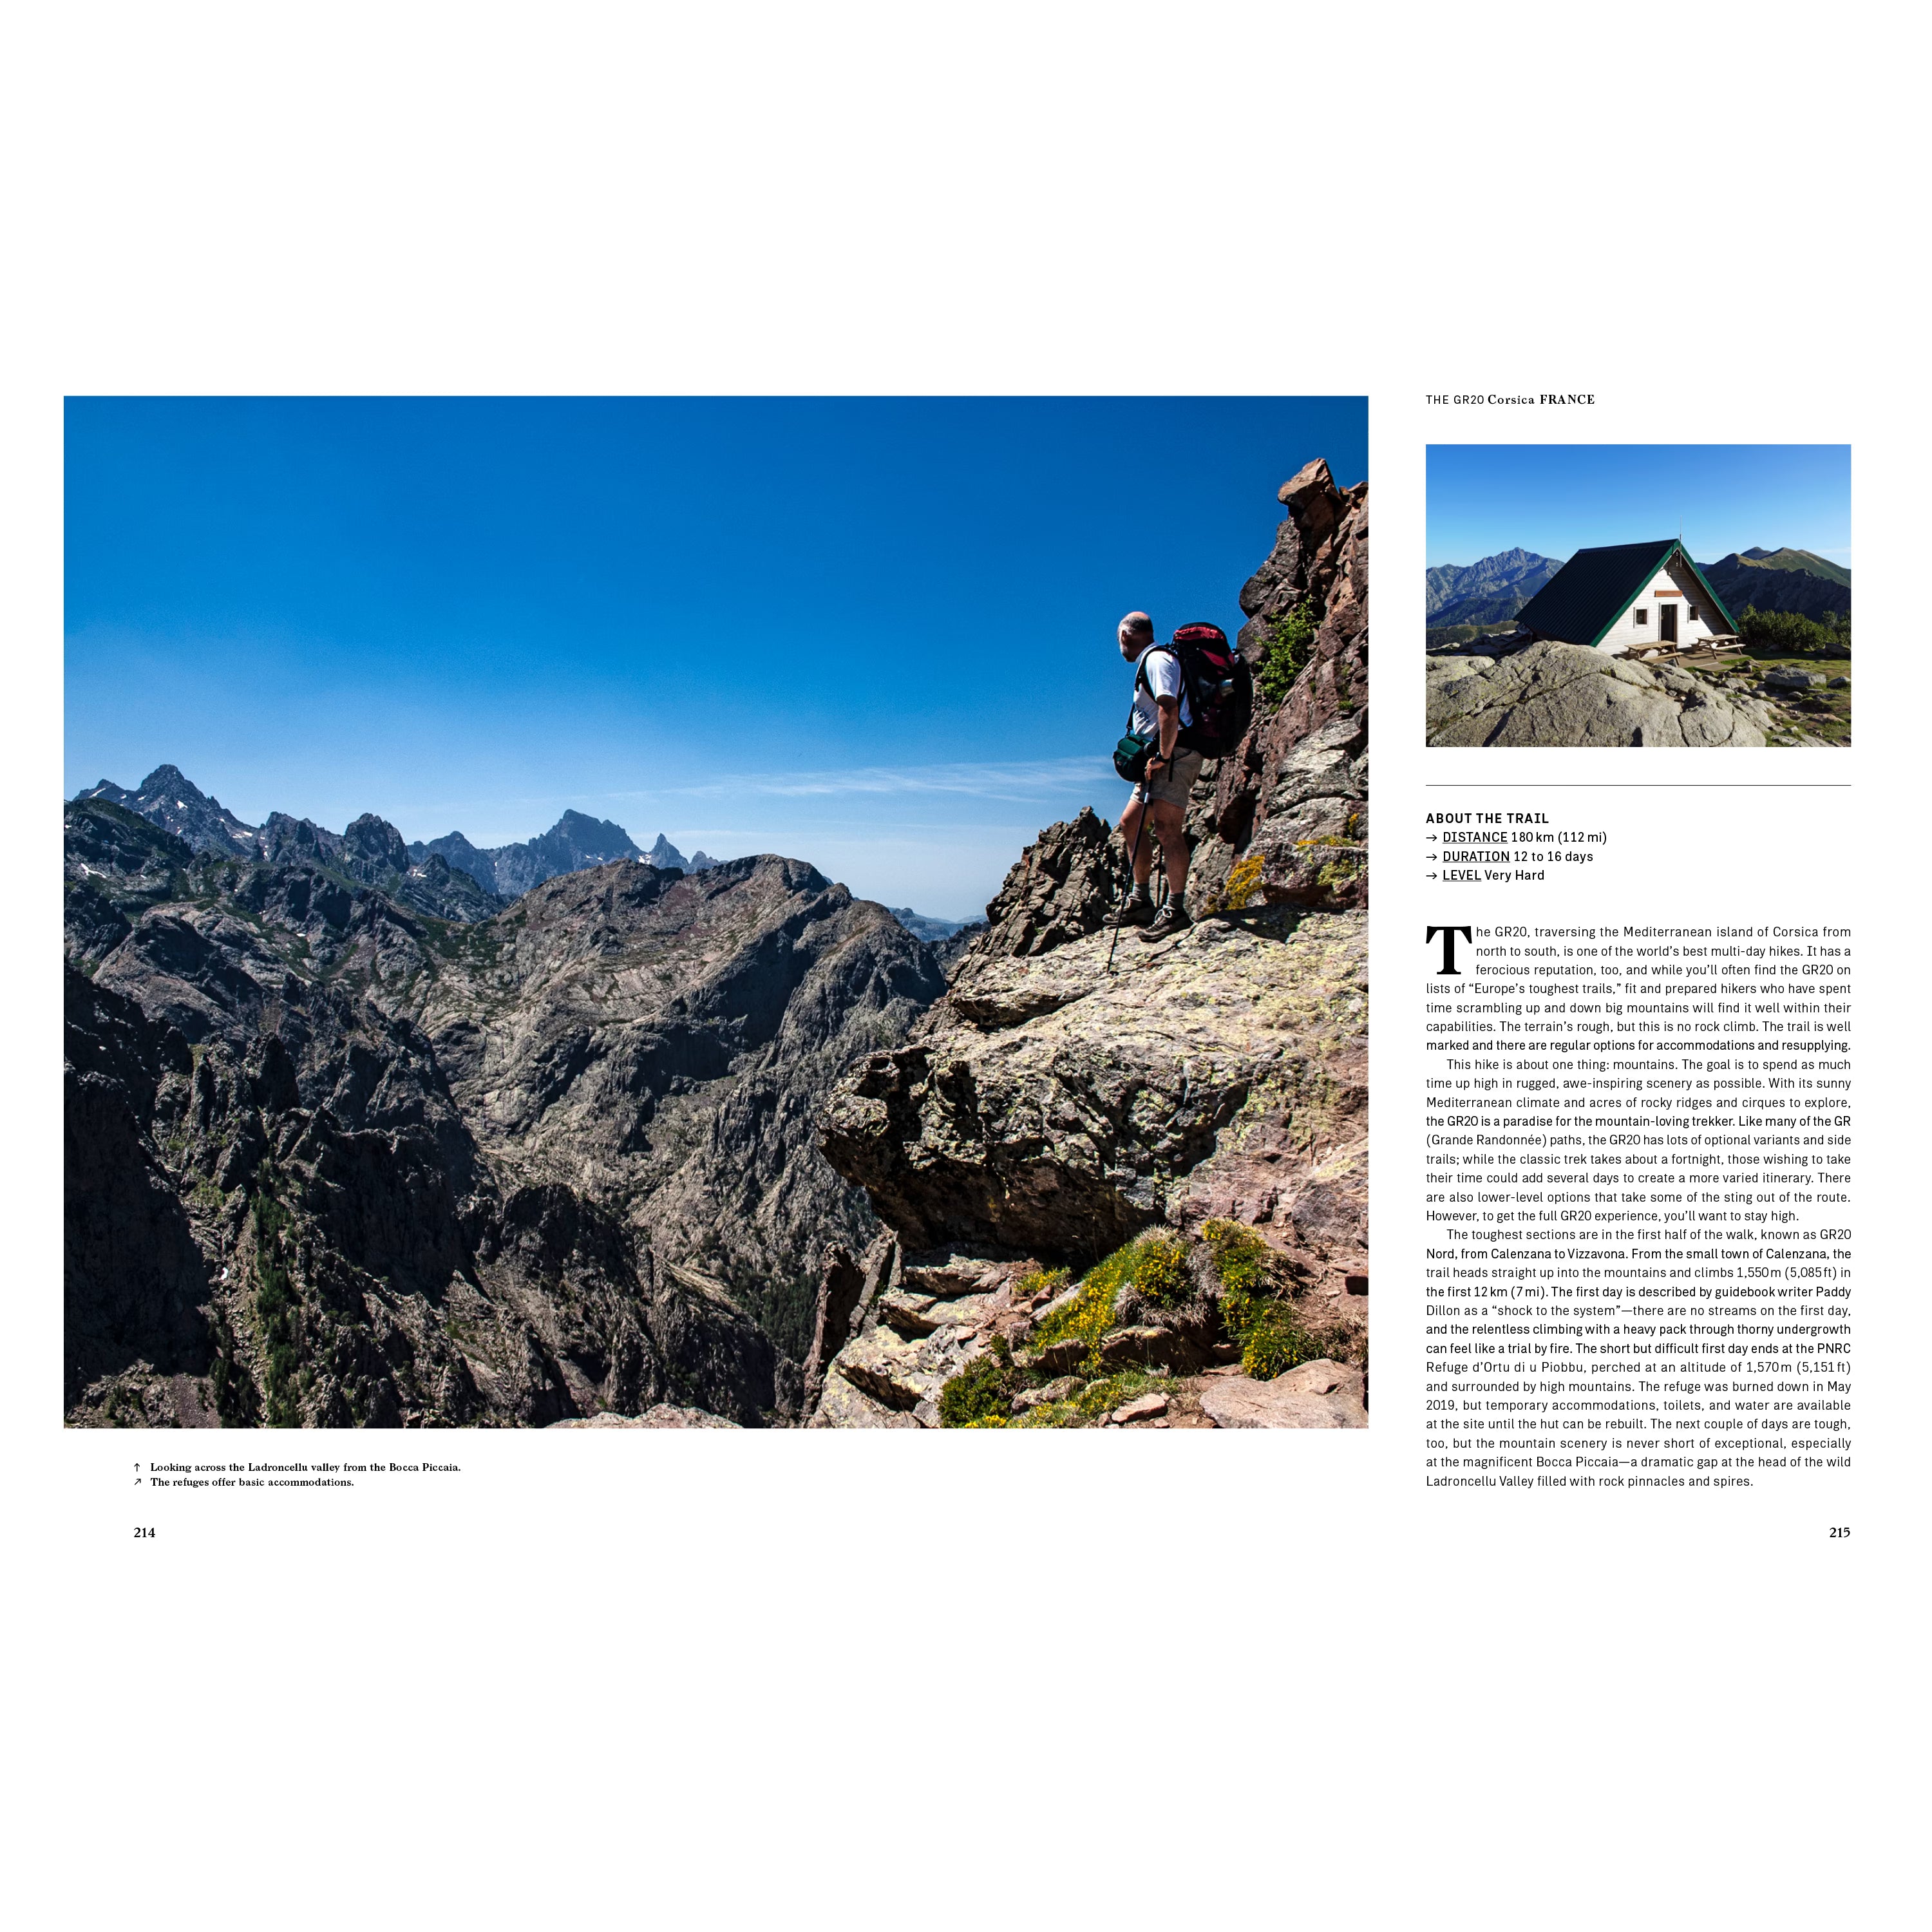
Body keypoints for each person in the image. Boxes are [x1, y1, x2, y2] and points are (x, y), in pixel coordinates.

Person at [1115, 611, 1200, 940]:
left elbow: (1169, 708)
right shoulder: (1151, 662)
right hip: (1160, 758)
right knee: (1131, 823)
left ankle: (1175, 910)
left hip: (1173, 757)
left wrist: (1163, 756)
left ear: (1126, 635)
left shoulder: (1158, 660)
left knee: (1167, 829)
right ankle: (1141, 900)